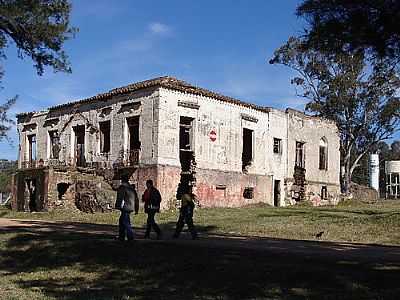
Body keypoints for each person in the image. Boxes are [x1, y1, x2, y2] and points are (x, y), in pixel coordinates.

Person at [115, 175, 139, 242]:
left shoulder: (123, 187)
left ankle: (130, 236)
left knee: (125, 222)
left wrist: (118, 206)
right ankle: (121, 236)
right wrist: (136, 208)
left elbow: (120, 197)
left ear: (122, 180)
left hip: (125, 207)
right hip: (131, 206)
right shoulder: (131, 188)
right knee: (122, 221)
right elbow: (136, 199)